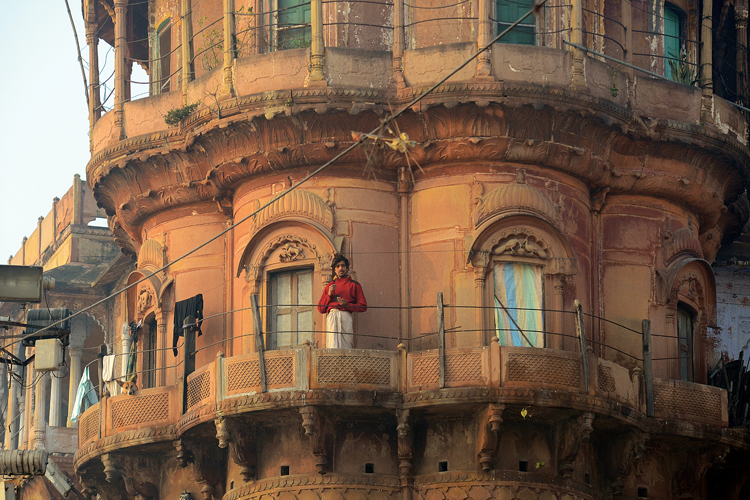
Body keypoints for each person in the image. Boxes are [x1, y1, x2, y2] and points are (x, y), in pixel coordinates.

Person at [317, 255, 367, 348]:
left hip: (346, 315)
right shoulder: (329, 286)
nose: (341, 268)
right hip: (332, 316)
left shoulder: (354, 285)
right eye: (338, 266)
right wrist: (329, 295)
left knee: (347, 345)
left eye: (343, 266)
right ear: (334, 270)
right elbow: (320, 309)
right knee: (332, 346)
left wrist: (347, 305)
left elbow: (363, 306)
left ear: (347, 268)